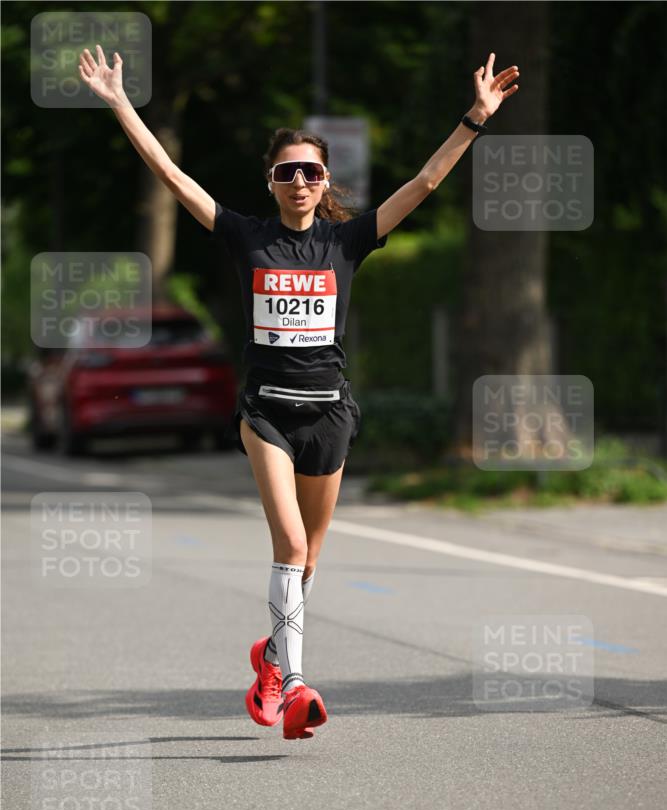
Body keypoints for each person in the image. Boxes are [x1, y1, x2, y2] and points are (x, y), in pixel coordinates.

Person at [78, 45, 519, 740]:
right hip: (267, 415)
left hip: (330, 414)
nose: (300, 181)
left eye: (311, 171)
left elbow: (426, 183)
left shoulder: (347, 243)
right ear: (272, 180)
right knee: (287, 543)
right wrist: (120, 103)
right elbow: (169, 172)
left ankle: (270, 656)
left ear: (323, 179)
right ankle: (294, 685)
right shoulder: (246, 237)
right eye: (288, 171)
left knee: (310, 557)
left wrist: (474, 118)